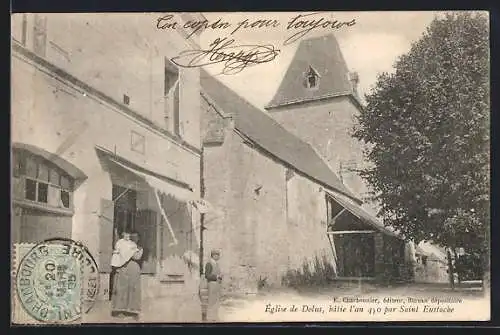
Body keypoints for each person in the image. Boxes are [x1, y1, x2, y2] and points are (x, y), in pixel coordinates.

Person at [110, 230, 143, 320]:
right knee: (121, 289)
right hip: (123, 268)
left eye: (136, 237)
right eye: (126, 233)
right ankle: (119, 310)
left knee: (133, 289)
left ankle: (133, 311)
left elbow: (137, 256)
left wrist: (137, 251)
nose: (128, 236)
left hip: (133, 269)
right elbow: (122, 254)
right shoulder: (121, 243)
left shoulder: (135, 246)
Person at [203, 249, 222, 322]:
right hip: (211, 284)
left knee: (216, 302)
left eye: (218, 255)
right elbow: (207, 275)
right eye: (217, 255)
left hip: (217, 285)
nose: (218, 257)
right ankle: (210, 317)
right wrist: (217, 276)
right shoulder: (209, 263)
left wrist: (220, 277)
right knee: (211, 301)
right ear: (213, 255)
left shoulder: (217, 264)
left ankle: (215, 317)